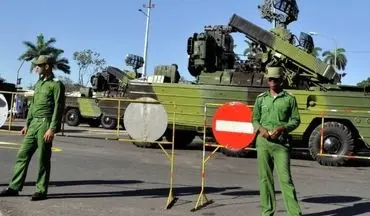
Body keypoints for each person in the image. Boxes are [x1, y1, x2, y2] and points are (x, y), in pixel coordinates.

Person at [0, 55, 65, 201]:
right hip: (34, 123)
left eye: (39, 65)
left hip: (45, 123)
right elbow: (33, 105)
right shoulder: (39, 83)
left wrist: (52, 128)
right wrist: (27, 124)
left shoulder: (56, 84)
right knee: (22, 154)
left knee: (43, 158)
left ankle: (41, 190)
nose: (36, 68)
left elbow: (58, 108)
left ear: (47, 66)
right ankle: (14, 187)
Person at [252, 67, 302, 216]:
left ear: (282, 80)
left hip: (281, 145)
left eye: (275, 79)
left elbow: (296, 120)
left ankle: (294, 214)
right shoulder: (261, 99)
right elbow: (254, 119)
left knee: (286, 180)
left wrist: (282, 128)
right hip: (263, 143)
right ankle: (267, 212)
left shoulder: (289, 99)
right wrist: (261, 129)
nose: (272, 82)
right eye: (270, 79)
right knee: (265, 179)